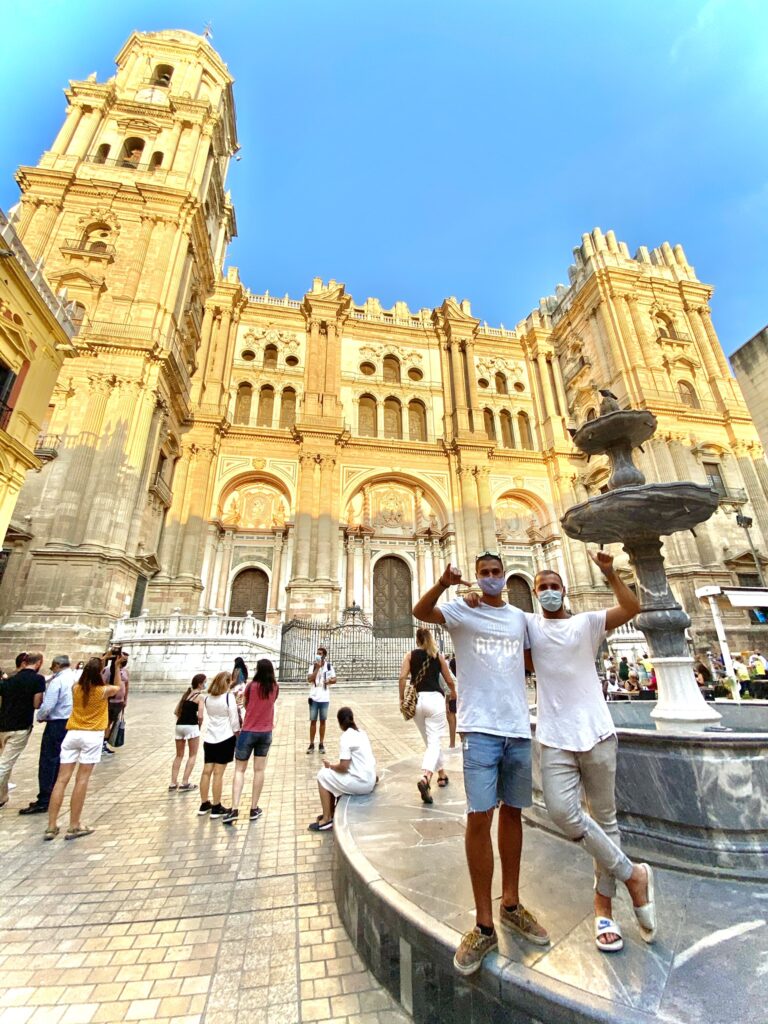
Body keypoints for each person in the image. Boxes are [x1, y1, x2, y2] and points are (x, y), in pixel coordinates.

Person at [413, 555, 549, 977]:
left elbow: (541, 651)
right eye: (484, 573)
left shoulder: (521, 618)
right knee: (478, 817)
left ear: (505, 577)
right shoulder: (462, 611)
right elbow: (420, 611)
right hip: (479, 730)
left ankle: (511, 903)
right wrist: (444, 583)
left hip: (516, 728)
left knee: (513, 814)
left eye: (496, 573)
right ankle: (483, 924)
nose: (490, 579)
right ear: (477, 576)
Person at [526, 555, 656, 954]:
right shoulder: (529, 626)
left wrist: (610, 573)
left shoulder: (586, 623)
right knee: (562, 811)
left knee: (605, 819)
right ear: (534, 593)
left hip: (597, 733)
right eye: (542, 587)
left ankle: (604, 911)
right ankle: (634, 875)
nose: (549, 592)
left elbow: (631, 608)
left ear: (564, 590)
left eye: (554, 586)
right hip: (555, 737)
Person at [45, 657, 122, 840]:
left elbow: (86, 677)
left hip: (72, 734)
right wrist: (117, 666)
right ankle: (74, 825)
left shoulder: (76, 688)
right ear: (100, 673)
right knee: (82, 780)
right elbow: (118, 687)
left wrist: (100, 660)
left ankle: (51, 826)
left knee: (61, 780)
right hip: (92, 735)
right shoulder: (103, 691)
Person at [398, 628, 455, 803]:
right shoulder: (438, 656)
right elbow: (448, 679)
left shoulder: (410, 655)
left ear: (417, 640)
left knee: (430, 743)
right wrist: (453, 692)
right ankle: (426, 777)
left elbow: (402, 678)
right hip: (435, 701)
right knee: (434, 742)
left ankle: (442, 774)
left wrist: (402, 698)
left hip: (418, 701)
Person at [223, 659, 279, 826]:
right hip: (265, 732)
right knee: (259, 770)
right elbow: (271, 702)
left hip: (248, 731)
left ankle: (234, 808)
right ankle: (254, 808)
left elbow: (246, 705)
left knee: (240, 770)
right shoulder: (275, 687)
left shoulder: (251, 686)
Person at [19, 655, 76, 815]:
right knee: (59, 760)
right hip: (70, 722)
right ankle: (53, 795)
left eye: (52, 667)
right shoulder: (74, 678)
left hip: (56, 723)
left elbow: (48, 705)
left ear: (57, 665)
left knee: (48, 761)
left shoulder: (58, 681)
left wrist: (40, 716)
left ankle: (44, 799)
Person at [309, 706, 376, 832]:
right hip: (369, 780)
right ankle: (331, 811)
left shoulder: (346, 737)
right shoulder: (362, 733)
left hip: (361, 783)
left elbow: (344, 767)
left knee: (322, 775)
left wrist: (330, 766)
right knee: (330, 776)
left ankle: (327, 819)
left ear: (339, 722)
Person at [0, 652, 46, 808]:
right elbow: (36, 704)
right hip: (21, 726)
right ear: (39, 663)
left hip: (4, 725)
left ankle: (2, 797)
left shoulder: (9, 680)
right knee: (5, 764)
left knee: (6, 761)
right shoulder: (38, 679)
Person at [198, 671, 240, 818]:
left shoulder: (207, 699)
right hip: (225, 737)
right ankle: (216, 806)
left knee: (206, 771)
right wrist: (237, 732)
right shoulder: (229, 697)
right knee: (218, 773)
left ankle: (204, 803)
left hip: (210, 738)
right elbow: (234, 719)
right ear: (227, 682)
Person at [170, 674, 206, 791]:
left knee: (179, 755)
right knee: (192, 755)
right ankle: (185, 782)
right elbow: (200, 715)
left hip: (179, 725)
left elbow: (177, 711)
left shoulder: (186, 695)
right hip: (191, 725)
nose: (205, 684)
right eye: (204, 682)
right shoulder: (200, 696)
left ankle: (173, 782)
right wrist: (199, 726)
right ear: (200, 684)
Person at [307, 646, 336, 754]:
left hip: (324, 697)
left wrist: (330, 681)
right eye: (317, 653)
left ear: (324, 656)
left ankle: (321, 743)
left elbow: (335, 679)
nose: (318, 655)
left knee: (323, 721)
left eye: (320, 653)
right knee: (313, 721)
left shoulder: (329, 666)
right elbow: (310, 679)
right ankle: (311, 744)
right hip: (314, 697)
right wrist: (317, 668)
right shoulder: (312, 667)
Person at [101, 650, 129, 755]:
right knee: (107, 723)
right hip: (109, 701)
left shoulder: (125, 671)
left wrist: (125, 699)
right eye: (123, 659)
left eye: (126, 659)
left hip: (119, 702)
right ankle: (102, 744)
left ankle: (106, 742)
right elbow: (102, 684)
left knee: (112, 723)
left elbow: (126, 685)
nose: (124, 661)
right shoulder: (108, 670)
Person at [447, 654, 458, 748]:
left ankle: (452, 743)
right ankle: (462, 740)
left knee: (451, 715)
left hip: (452, 692)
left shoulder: (452, 662)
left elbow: (448, 682)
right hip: (461, 690)